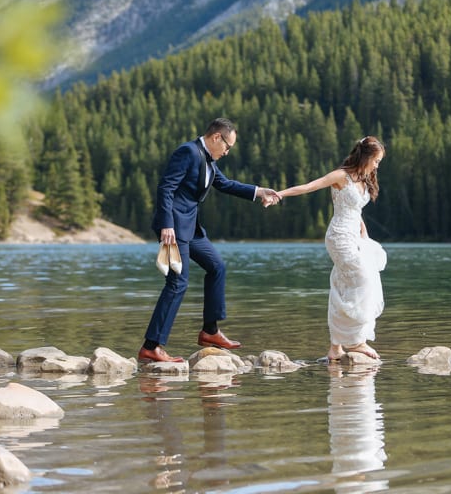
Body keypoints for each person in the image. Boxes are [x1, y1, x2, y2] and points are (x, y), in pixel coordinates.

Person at [139, 117, 280, 363]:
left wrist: (259, 192)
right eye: (227, 146)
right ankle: (152, 346)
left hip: (191, 229)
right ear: (216, 137)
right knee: (177, 283)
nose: (227, 152)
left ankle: (210, 332)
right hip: (173, 228)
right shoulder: (188, 152)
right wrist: (166, 225)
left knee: (217, 267)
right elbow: (166, 188)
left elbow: (225, 184)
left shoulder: (209, 161)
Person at [276, 136, 387, 362]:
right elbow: (309, 187)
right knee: (363, 280)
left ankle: (336, 347)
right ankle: (357, 341)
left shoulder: (364, 178)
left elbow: (357, 211)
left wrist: (365, 236)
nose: (377, 166)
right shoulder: (341, 176)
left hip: (355, 237)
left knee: (344, 285)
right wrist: (280, 194)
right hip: (338, 237)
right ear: (366, 156)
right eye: (376, 161)